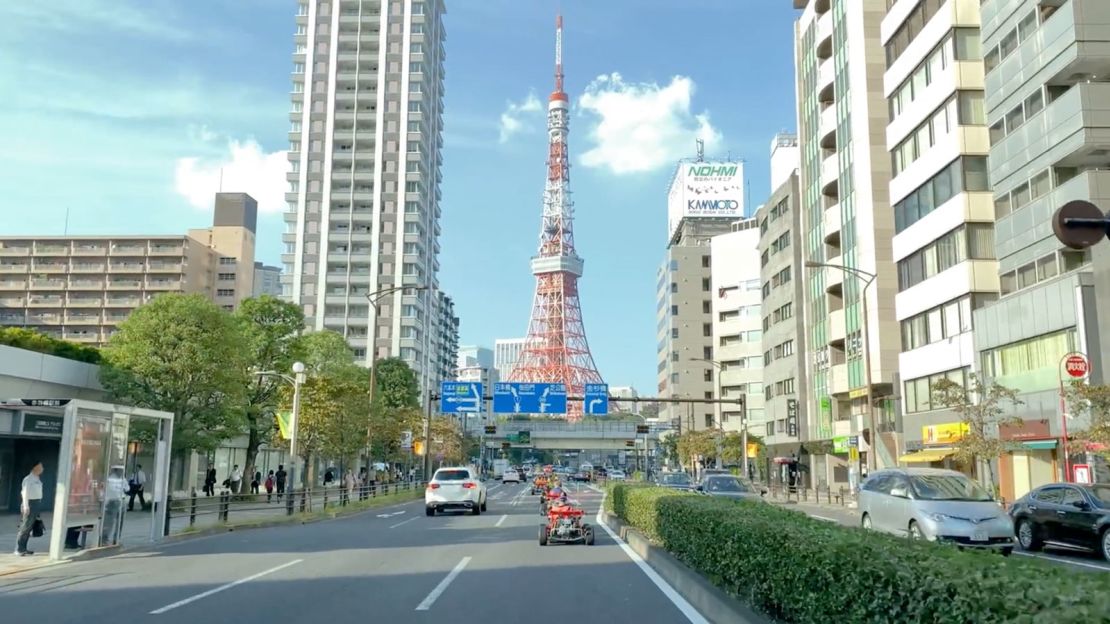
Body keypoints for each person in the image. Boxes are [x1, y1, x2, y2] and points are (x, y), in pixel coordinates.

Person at [14, 460, 44, 556]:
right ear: (35, 467)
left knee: (29, 527)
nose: (42, 469)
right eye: (40, 466)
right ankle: (18, 549)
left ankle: (24, 548)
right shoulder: (28, 479)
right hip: (30, 504)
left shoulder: (37, 478)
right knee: (25, 527)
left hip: (36, 503)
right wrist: (26, 506)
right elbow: (25, 493)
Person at [102, 466, 129, 546]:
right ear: (116, 471)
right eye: (120, 470)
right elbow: (126, 489)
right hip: (114, 500)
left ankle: (113, 539)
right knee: (111, 521)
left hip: (118, 500)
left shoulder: (120, 479)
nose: (122, 472)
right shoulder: (111, 479)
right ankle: (108, 539)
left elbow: (127, 488)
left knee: (116, 521)